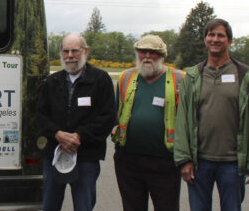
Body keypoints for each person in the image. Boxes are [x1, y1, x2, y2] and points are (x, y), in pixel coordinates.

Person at [174, 18, 249, 211]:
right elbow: (182, 118)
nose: (215, 39)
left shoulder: (244, 75)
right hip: (200, 163)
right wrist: (184, 159)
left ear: (229, 41)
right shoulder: (192, 76)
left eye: (220, 35)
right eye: (211, 34)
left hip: (233, 164)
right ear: (205, 39)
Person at [36, 33, 116, 211]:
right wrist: (57, 134)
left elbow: (108, 116)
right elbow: (41, 116)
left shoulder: (101, 80)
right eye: (66, 51)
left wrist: (80, 135)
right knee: (50, 205)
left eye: (75, 50)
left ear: (85, 51)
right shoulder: (52, 82)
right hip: (54, 157)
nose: (70, 55)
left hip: (86, 158)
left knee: (83, 206)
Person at [111, 35, 184, 211]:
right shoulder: (125, 78)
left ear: (163, 55)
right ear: (137, 53)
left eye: (154, 52)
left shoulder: (180, 79)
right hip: (128, 161)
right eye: (143, 51)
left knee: (167, 207)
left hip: (165, 162)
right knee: (132, 207)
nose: (148, 56)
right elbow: (114, 112)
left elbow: (190, 120)